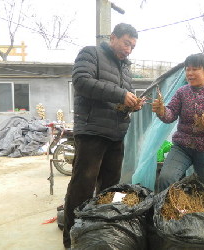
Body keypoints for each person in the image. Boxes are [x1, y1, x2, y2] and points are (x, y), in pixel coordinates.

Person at [63, 23, 143, 249]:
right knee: (83, 186)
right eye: (126, 43)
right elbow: (81, 82)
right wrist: (121, 94)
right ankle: (72, 239)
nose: (129, 50)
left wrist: (132, 105)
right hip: (92, 131)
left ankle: (100, 235)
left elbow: (119, 99)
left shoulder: (125, 68)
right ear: (113, 37)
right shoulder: (91, 53)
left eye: (133, 47)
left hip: (116, 134)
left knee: (110, 188)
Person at [152, 53, 204, 193]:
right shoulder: (182, 92)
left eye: (194, 69)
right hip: (183, 146)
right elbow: (170, 114)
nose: (189, 73)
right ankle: (166, 213)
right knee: (165, 179)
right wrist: (161, 111)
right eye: (187, 69)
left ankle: (202, 214)